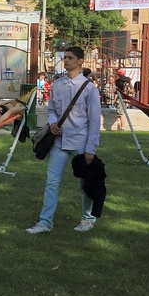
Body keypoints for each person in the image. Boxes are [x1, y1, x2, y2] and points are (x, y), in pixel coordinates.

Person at [26, 46, 102, 234]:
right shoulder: (58, 84)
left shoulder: (89, 88)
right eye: (64, 57)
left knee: (85, 183)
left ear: (80, 61)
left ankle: (87, 218)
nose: (66, 61)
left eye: (70, 58)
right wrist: (52, 123)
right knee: (51, 182)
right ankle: (45, 222)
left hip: (81, 142)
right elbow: (51, 109)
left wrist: (90, 148)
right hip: (59, 142)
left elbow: (94, 120)